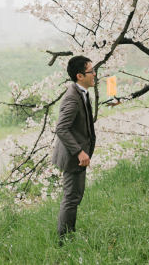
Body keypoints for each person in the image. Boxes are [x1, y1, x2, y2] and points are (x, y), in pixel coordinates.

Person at [52, 55, 97, 245]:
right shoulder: (72, 98)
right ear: (80, 75)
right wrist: (79, 151)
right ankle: (64, 242)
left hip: (77, 155)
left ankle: (70, 234)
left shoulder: (82, 92)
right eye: (91, 71)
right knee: (71, 199)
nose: (94, 74)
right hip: (73, 157)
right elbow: (61, 128)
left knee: (74, 197)